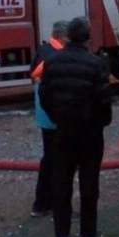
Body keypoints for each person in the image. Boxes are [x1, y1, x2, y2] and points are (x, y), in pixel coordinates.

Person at [39, 17, 113, 237]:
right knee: (89, 183)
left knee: (61, 182)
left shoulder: (52, 63)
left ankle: (62, 235)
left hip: (62, 131)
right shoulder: (96, 64)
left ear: (68, 36)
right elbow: (104, 99)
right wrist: (101, 122)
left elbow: (45, 95)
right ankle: (88, 234)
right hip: (90, 132)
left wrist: (56, 117)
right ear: (88, 38)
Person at [29, 20, 68, 218]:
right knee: (57, 162)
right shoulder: (56, 56)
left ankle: (43, 203)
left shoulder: (43, 50)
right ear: (63, 37)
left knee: (49, 159)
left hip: (44, 116)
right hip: (54, 117)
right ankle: (49, 203)